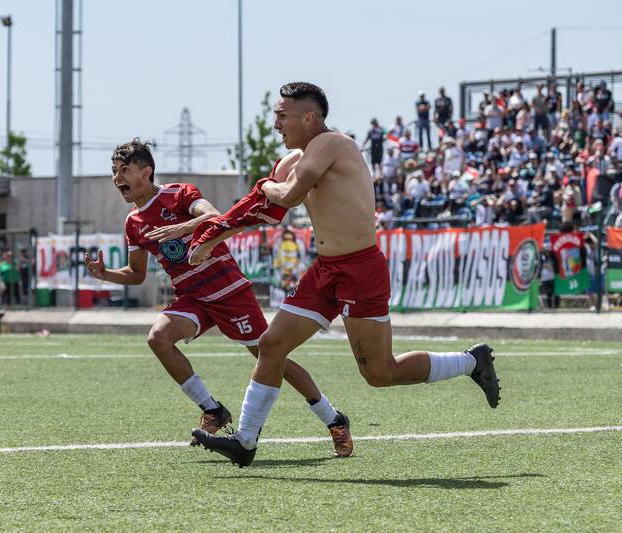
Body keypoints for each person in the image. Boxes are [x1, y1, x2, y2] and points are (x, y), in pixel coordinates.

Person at [192, 82, 499, 467]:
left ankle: (472, 362)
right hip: (325, 270)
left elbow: (286, 196)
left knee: (380, 373)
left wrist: (266, 185)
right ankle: (246, 441)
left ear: (309, 117)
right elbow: (256, 211)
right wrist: (210, 237)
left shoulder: (331, 143)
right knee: (271, 345)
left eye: (282, 115)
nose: (275, 124)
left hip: (360, 269)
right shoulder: (293, 160)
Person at [85, 139, 353, 455]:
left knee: (270, 356)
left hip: (228, 292)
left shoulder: (178, 194)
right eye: (114, 171)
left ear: (146, 172)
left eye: (124, 170)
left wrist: (181, 228)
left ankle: (333, 419)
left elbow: (214, 216)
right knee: (158, 338)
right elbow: (136, 274)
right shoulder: (134, 223)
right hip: (192, 297)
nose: (117, 178)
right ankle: (212, 410)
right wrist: (105, 274)